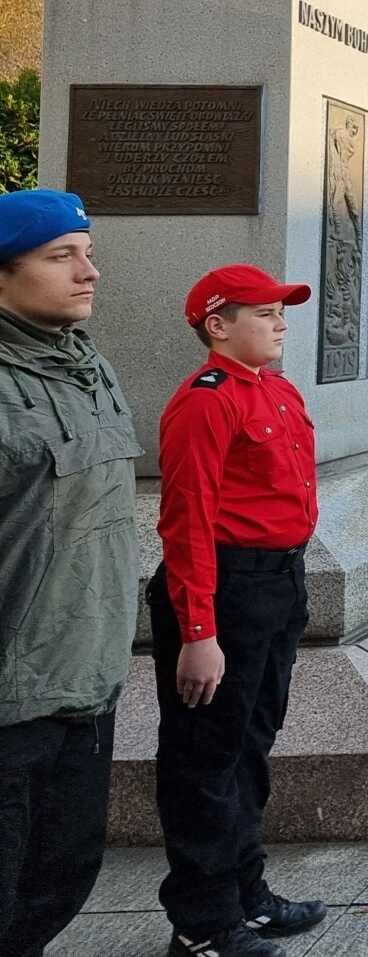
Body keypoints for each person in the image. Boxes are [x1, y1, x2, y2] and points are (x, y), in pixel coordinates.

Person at [152, 265, 328, 956]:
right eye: (265, 313)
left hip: (275, 586)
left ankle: (244, 895)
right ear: (217, 326)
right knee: (205, 760)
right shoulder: (206, 400)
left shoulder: (276, 391)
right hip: (225, 591)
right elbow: (186, 519)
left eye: (282, 311)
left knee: (249, 749)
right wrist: (200, 631)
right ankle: (201, 922)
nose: (281, 322)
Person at [0, 191, 141, 957]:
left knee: (56, 885)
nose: (89, 272)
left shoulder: (88, 366)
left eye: (86, 253)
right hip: (10, 706)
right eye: (62, 256)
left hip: (85, 686)